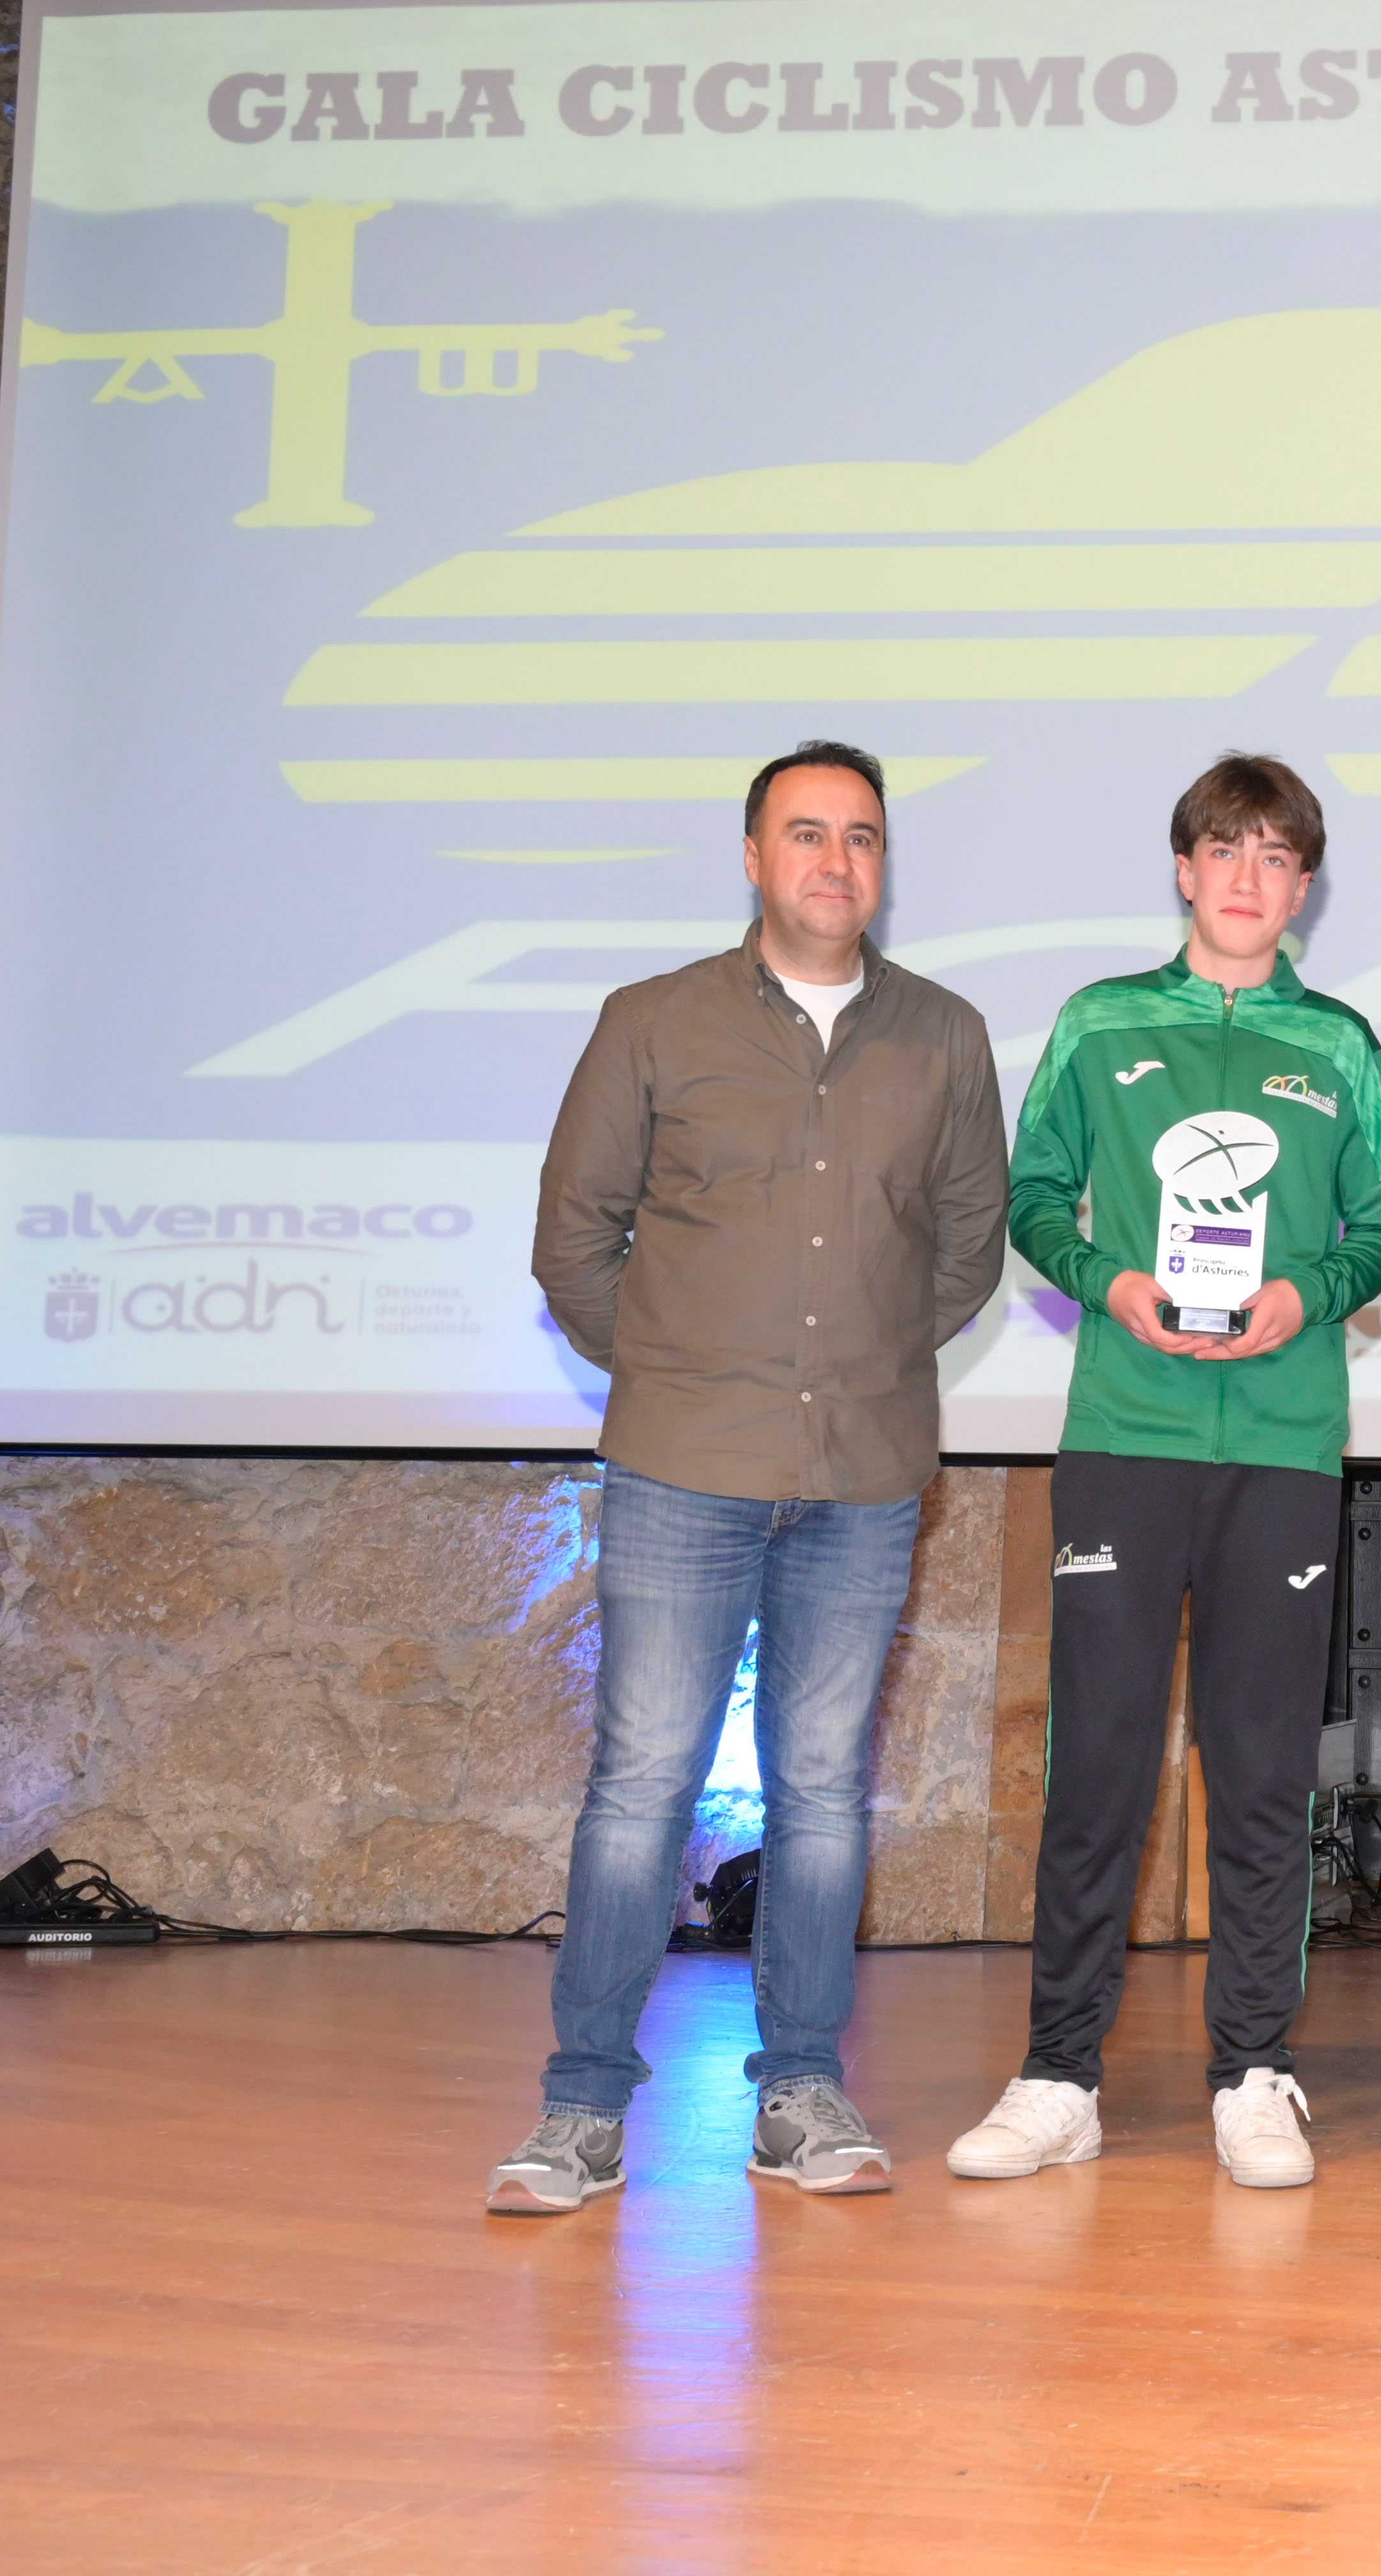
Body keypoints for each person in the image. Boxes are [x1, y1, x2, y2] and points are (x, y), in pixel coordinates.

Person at [492, 741, 1012, 2216]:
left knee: (828, 1789)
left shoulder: (946, 1036)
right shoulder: (652, 1022)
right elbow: (573, 1243)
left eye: (861, 837)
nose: (835, 862)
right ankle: (581, 2106)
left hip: (864, 1474)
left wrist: (856, 1364)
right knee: (642, 1780)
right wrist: (672, 1365)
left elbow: (967, 1247)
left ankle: (800, 2083)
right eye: (805, 834)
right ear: (751, 855)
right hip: (680, 1467)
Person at [946, 753, 1381, 2191]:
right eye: (1225, 850)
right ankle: (1056, 2070)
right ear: (1185, 867)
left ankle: (1255, 2067)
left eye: (1277, 857)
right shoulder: (1101, 1021)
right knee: (1097, 1761)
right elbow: (1031, 1194)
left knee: (1264, 1764)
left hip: (1280, 1441)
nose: (1247, 879)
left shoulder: (1338, 1042)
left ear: (1304, 886)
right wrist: (1108, 1277)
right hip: (1127, 1433)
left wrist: (1309, 1296)